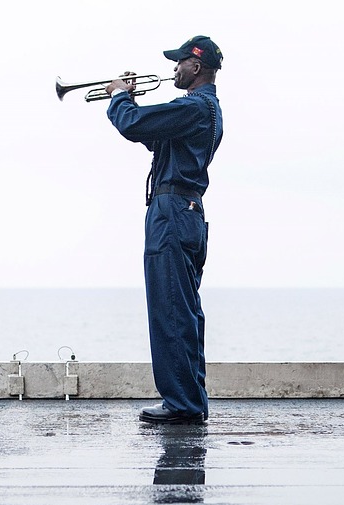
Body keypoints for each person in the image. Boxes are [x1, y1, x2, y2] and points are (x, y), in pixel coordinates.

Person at [105, 36, 224, 424]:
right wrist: (131, 101)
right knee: (183, 310)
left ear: (196, 65)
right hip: (184, 212)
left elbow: (134, 126)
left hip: (172, 212)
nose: (173, 69)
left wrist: (120, 97)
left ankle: (183, 405)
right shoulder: (203, 110)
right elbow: (152, 135)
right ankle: (190, 399)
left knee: (169, 308)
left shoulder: (194, 106)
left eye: (178, 63)